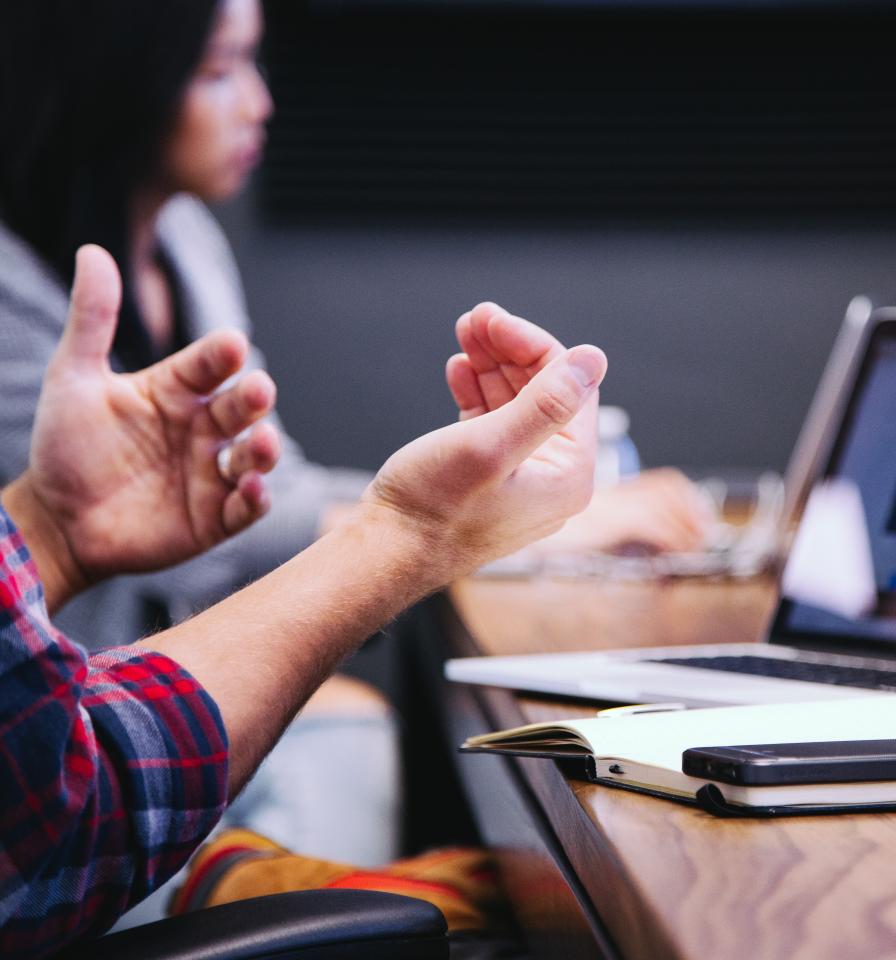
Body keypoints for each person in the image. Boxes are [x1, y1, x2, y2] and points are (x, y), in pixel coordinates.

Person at [0, 0, 710, 653]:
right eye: (220, 70)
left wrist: (478, 513)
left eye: (255, 62)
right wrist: (506, 532)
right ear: (118, 77)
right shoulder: (12, 292)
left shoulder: (185, 242)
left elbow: (262, 492)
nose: (260, 103)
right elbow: (214, 541)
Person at [0, 243, 607, 958]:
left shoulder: (186, 240)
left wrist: (49, 530)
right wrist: (411, 533)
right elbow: (57, 809)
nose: (259, 119)